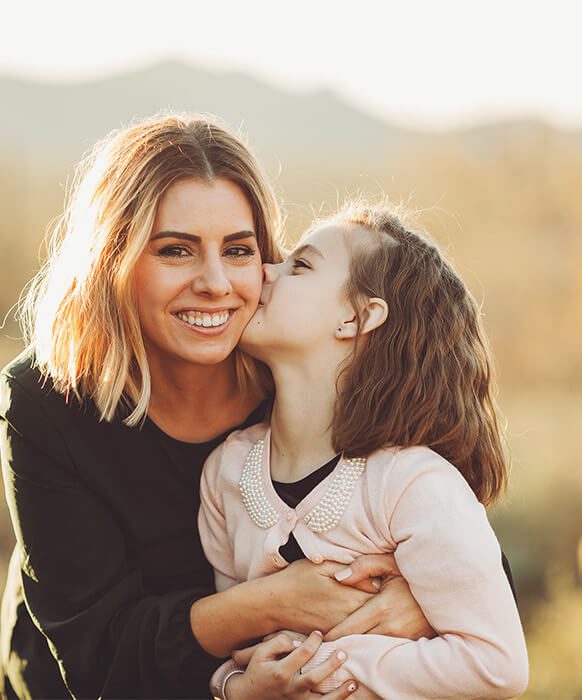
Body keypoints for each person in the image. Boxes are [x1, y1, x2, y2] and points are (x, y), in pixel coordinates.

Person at [0, 114, 433, 699]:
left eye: (238, 250)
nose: (215, 283)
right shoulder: (47, 401)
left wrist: (421, 593)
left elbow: (459, 526)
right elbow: (99, 655)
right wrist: (270, 602)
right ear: (113, 262)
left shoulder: (305, 370)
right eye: (175, 250)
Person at [200, 202, 527, 699]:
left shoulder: (412, 483)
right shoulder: (225, 472)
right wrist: (239, 688)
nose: (265, 269)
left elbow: (496, 667)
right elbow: (233, 655)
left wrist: (329, 660)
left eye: (300, 265)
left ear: (357, 318)